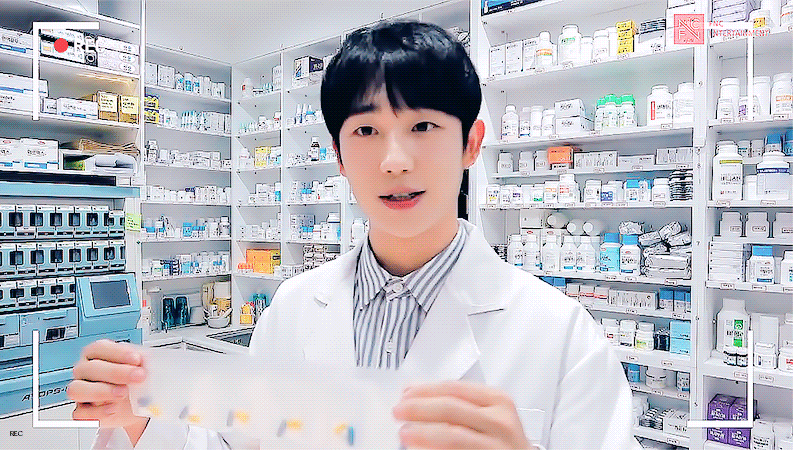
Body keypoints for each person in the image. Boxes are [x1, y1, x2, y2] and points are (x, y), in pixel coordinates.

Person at [69, 20, 639, 449]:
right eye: (366, 130)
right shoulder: (294, 309)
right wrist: (141, 421)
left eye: (422, 126)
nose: (394, 160)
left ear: (470, 143)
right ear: (339, 157)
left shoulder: (563, 336)